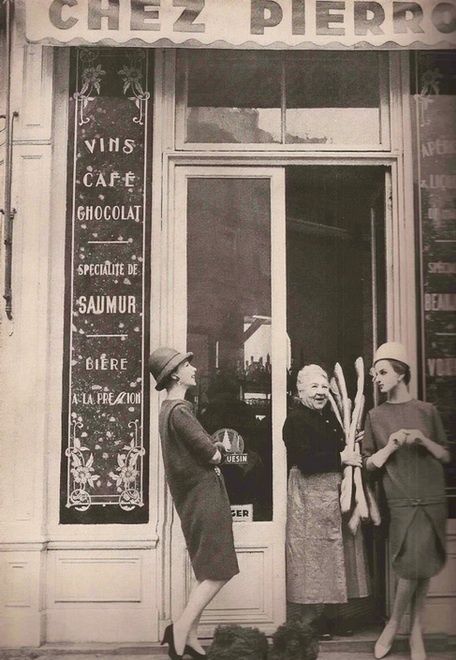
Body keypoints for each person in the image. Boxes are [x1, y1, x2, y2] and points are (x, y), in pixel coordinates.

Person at [149, 347, 239, 660]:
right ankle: (180, 627)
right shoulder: (180, 411)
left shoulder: (168, 410)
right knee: (219, 570)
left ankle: (189, 638)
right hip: (204, 496)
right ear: (175, 374)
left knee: (206, 570)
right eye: (187, 365)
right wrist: (220, 448)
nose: (194, 369)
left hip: (193, 498)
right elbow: (211, 454)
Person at [362, 342, 450, 660]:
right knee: (412, 566)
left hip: (431, 500)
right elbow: (368, 464)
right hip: (400, 501)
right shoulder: (375, 416)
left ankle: (412, 633)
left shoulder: (428, 411)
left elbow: (445, 455)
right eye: (375, 374)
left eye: (382, 372)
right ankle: (400, 627)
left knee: (421, 568)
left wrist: (423, 439)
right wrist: (390, 446)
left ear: (400, 374)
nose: (377, 379)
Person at [283, 364, 368, 638]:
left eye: (323, 386)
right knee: (311, 557)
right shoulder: (295, 420)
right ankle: (311, 620)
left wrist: (352, 440)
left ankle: (332, 617)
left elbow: (335, 446)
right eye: (314, 387)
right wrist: (342, 457)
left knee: (332, 555)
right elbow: (305, 460)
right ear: (300, 391)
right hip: (308, 496)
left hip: (330, 496)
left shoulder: (328, 417)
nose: (320, 392)